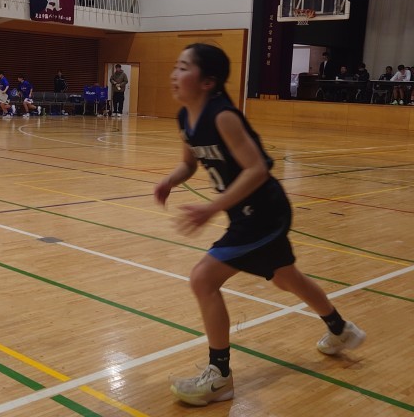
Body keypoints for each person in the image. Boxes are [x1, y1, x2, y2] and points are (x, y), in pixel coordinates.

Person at [154, 43, 365, 407]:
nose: (175, 74)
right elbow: (189, 163)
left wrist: (211, 208)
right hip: (245, 213)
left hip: (263, 212)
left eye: (184, 67)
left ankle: (220, 376)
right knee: (286, 278)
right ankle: (340, 329)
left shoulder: (223, 117)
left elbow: (257, 169)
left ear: (207, 82)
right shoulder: (185, 118)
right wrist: (170, 180)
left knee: (203, 279)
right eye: (176, 66)